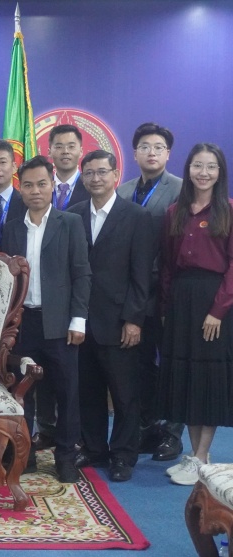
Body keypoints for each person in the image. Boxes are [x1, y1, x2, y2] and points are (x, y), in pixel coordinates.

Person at [1, 155, 91, 483]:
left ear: (52, 185)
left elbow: (81, 274)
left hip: (60, 324)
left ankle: (65, 457)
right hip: (22, 324)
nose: (35, 191)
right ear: (20, 189)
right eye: (28, 185)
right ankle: (23, 456)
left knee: (67, 392)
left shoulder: (70, 223)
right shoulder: (11, 228)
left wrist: (78, 320)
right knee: (22, 392)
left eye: (42, 184)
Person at [67, 150, 153, 482]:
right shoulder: (73, 215)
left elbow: (142, 274)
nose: (95, 178)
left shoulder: (136, 216)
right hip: (81, 319)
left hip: (119, 321)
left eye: (102, 172)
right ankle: (94, 448)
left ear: (116, 175)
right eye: (89, 173)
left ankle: (123, 455)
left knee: (124, 394)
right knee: (88, 391)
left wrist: (134, 319)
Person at [158, 143, 233, 486]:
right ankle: (193, 454)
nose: (204, 173)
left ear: (220, 172)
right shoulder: (174, 212)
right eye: (198, 166)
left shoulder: (228, 211)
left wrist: (218, 311)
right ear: (188, 169)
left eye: (211, 166)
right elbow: (168, 265)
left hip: (214, 302)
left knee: (207, 378)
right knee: (186, 376)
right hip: (181, 301)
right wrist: (166, 307)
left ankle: (202, 457)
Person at [117, 122, 184, 461]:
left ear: (168, 154)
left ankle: (172, 434)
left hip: (167, 289)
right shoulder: (123, 191)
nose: (151, 152)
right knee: (141, 362)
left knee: (171, 361)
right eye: (145, 146)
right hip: (133, 291)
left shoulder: (181, 189)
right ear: (135, 153)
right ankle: (147, 427)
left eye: (158, 147)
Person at [48, 124, 89, 210]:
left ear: (81, 151)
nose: (65, 151)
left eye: (71, 147)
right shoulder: (42, 187)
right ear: (49, 152)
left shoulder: (90, 186)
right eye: (59, 147)